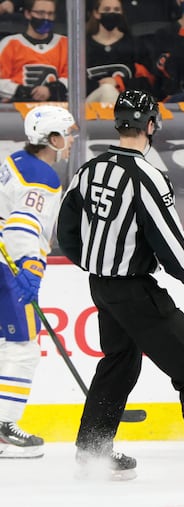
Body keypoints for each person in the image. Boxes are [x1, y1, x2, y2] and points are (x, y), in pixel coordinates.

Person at [56, 89, 184, 480]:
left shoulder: (89, 170)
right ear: (151, 125)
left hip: (101, 285)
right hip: (134, 289)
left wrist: (91, 262)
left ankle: (92, 451)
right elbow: (167, 235)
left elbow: (66, 226)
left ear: (119, 123)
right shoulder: (148, 176)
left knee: (119, 363)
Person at [0, 105, 76, 459]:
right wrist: (30, 269)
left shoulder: (14, 159)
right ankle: (5, 427)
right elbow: (21, 224)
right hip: (7, 267)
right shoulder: (42, 177)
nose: (72, 139)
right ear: (52, 139)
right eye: (68, 133)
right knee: (22, 347)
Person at [85, 0, 155, 104]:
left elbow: (148, 83)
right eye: (107, 9)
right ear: (96, 13)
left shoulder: (135, 45)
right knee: (107, 90)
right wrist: (102, 86)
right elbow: (74, 83)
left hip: (129, 103)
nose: (112, 13)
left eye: (117, 10)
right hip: (91, 106)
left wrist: (118, 82)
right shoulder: (83, 46)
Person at [0, 0, 67, 103]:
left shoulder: (65, 43)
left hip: (56, 109)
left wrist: (52, 90)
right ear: (28, 14)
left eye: (50, 13)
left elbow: (74, 78)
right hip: (17, 108)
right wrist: (25, 92)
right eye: (40, 13)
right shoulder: (10, 43)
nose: (46, 18)